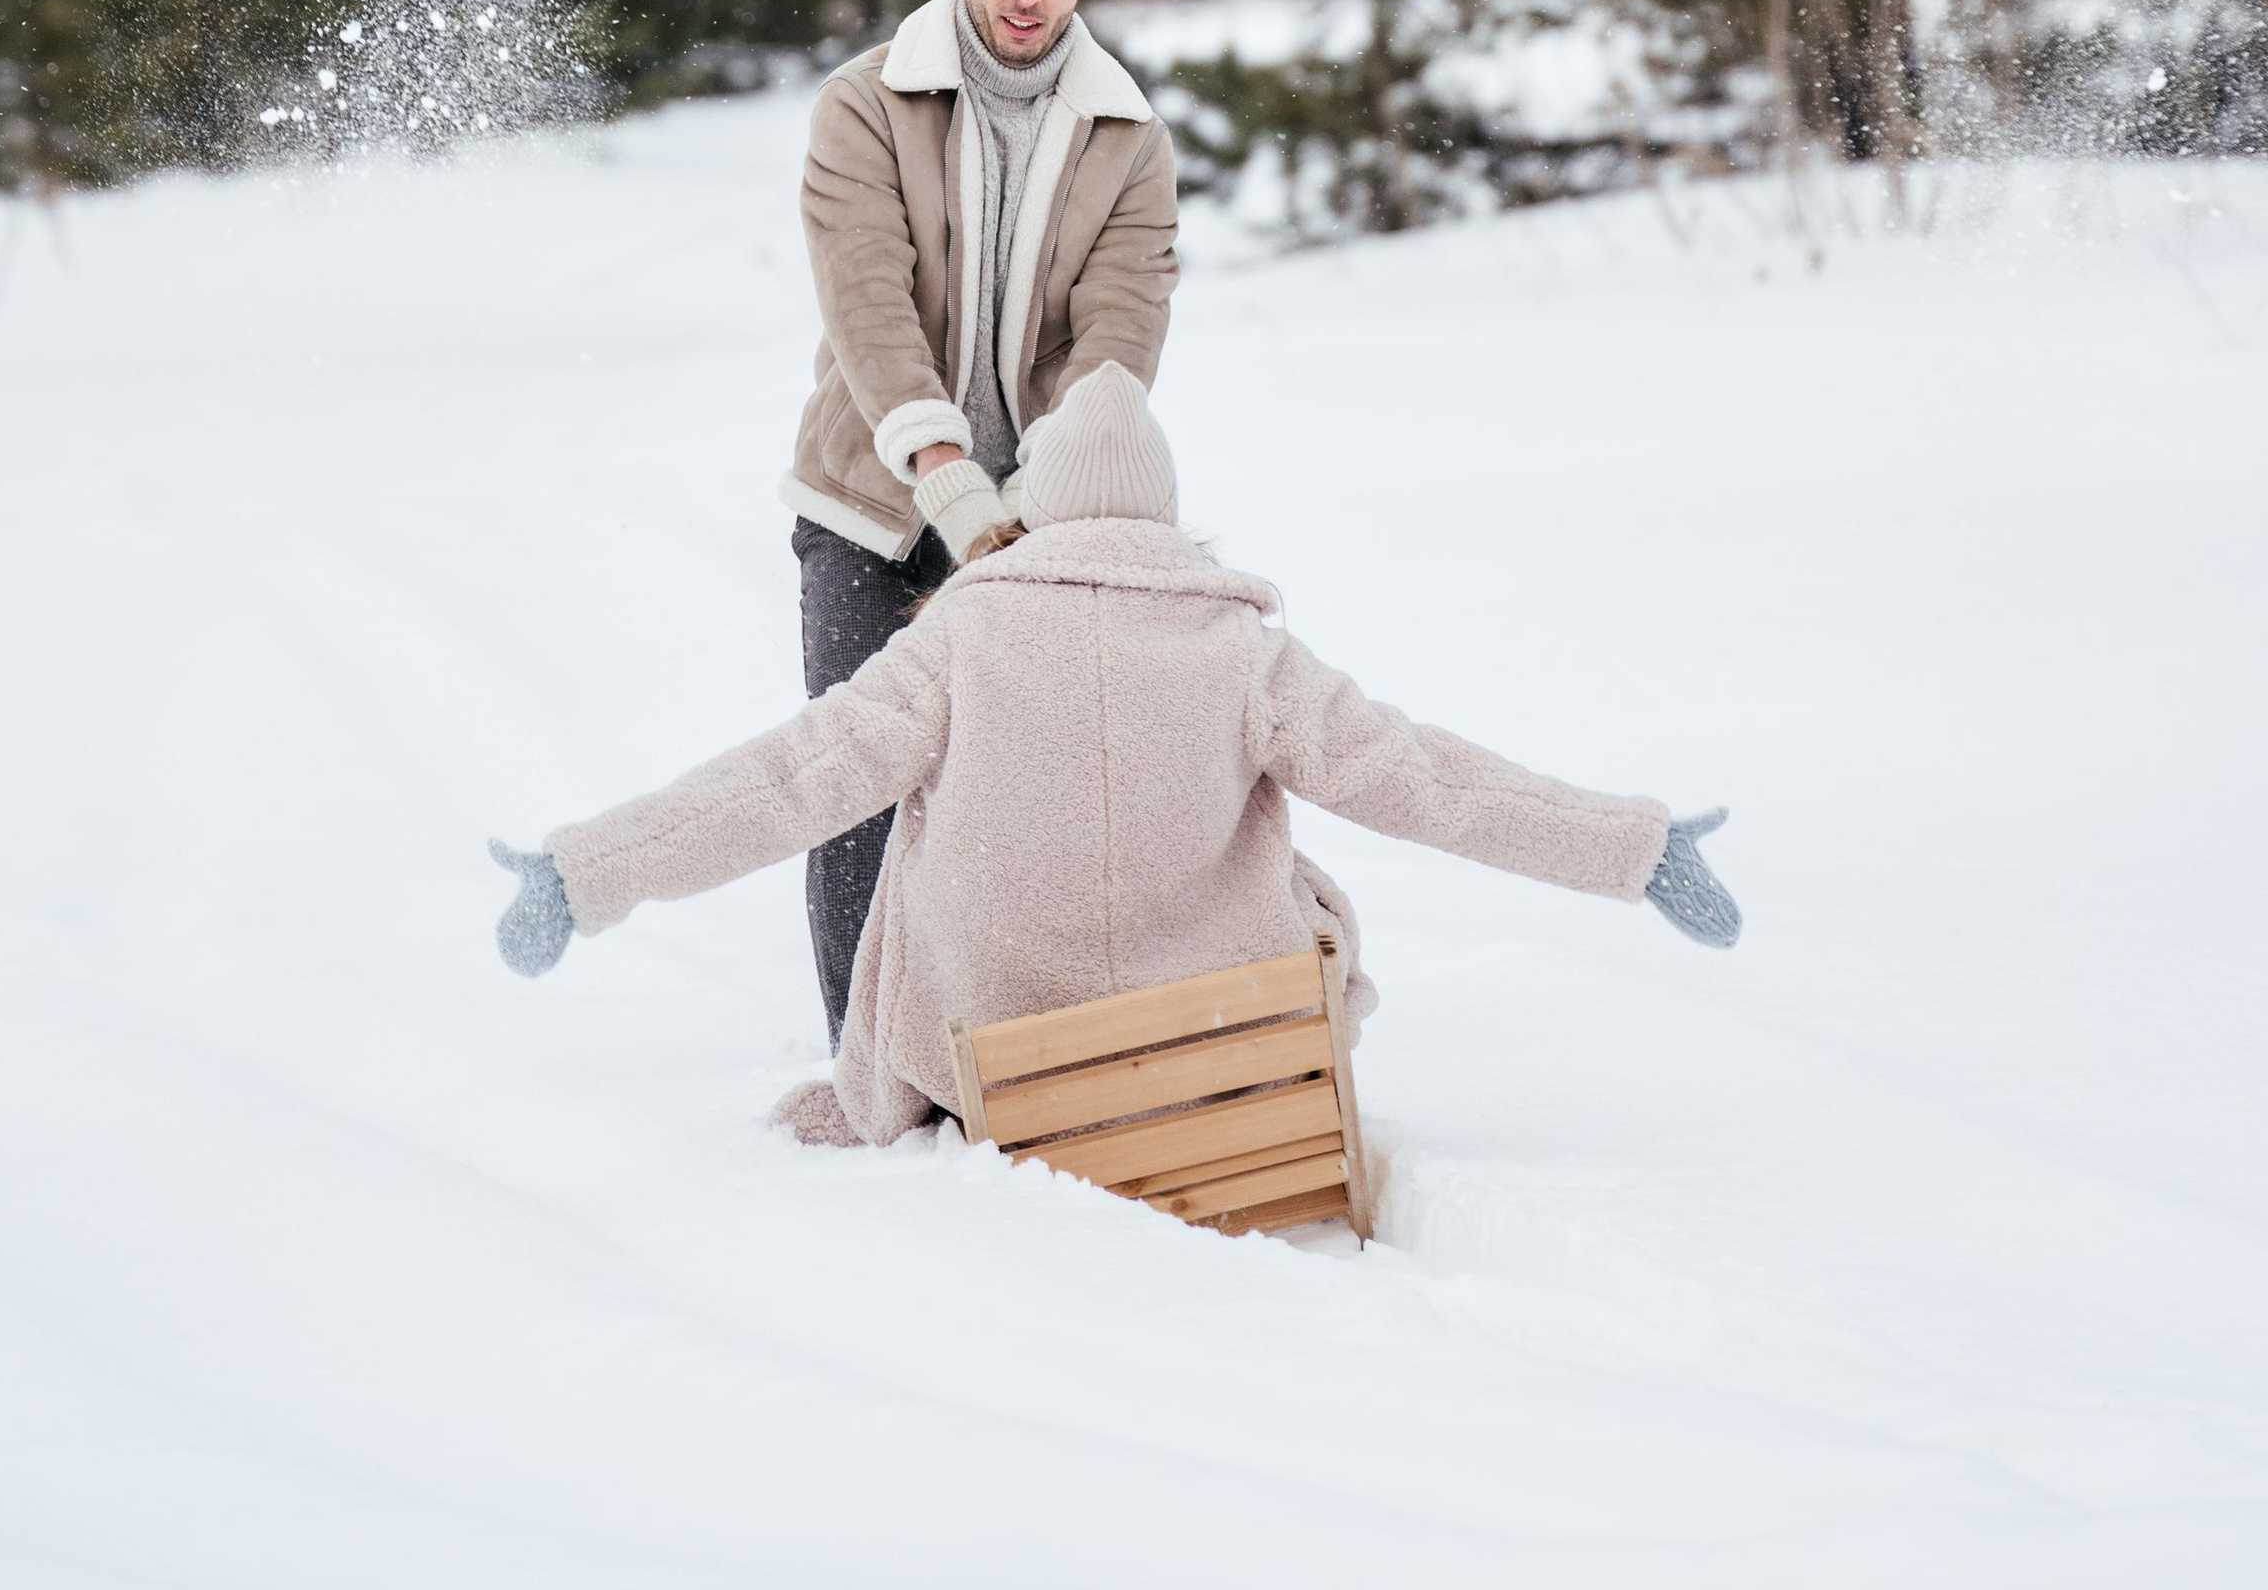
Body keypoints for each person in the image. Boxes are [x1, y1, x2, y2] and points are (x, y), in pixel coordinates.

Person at [487, 365, 1740, 1149]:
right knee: (1308, 898)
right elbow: (1429, 780)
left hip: (982, 1052)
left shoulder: (958, 640)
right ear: (1161, 512)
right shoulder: (1240, 647)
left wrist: (586, 872)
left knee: (898, 869)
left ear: (1033, 506)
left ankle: (900, 1103)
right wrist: (1628, 848)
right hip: (1222, 1045)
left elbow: (782, 782)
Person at [777, 0, 1177, 1039]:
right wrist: (942, 469)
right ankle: (865, 1050)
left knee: (1019, 798)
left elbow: (1117, 331)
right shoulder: (865, 104)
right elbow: (867, 299)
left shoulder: (1127, 137)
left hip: (1032, 526)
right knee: (856, 785)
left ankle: (1005, 1042)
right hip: (874, 501)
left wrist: (1044, 496)